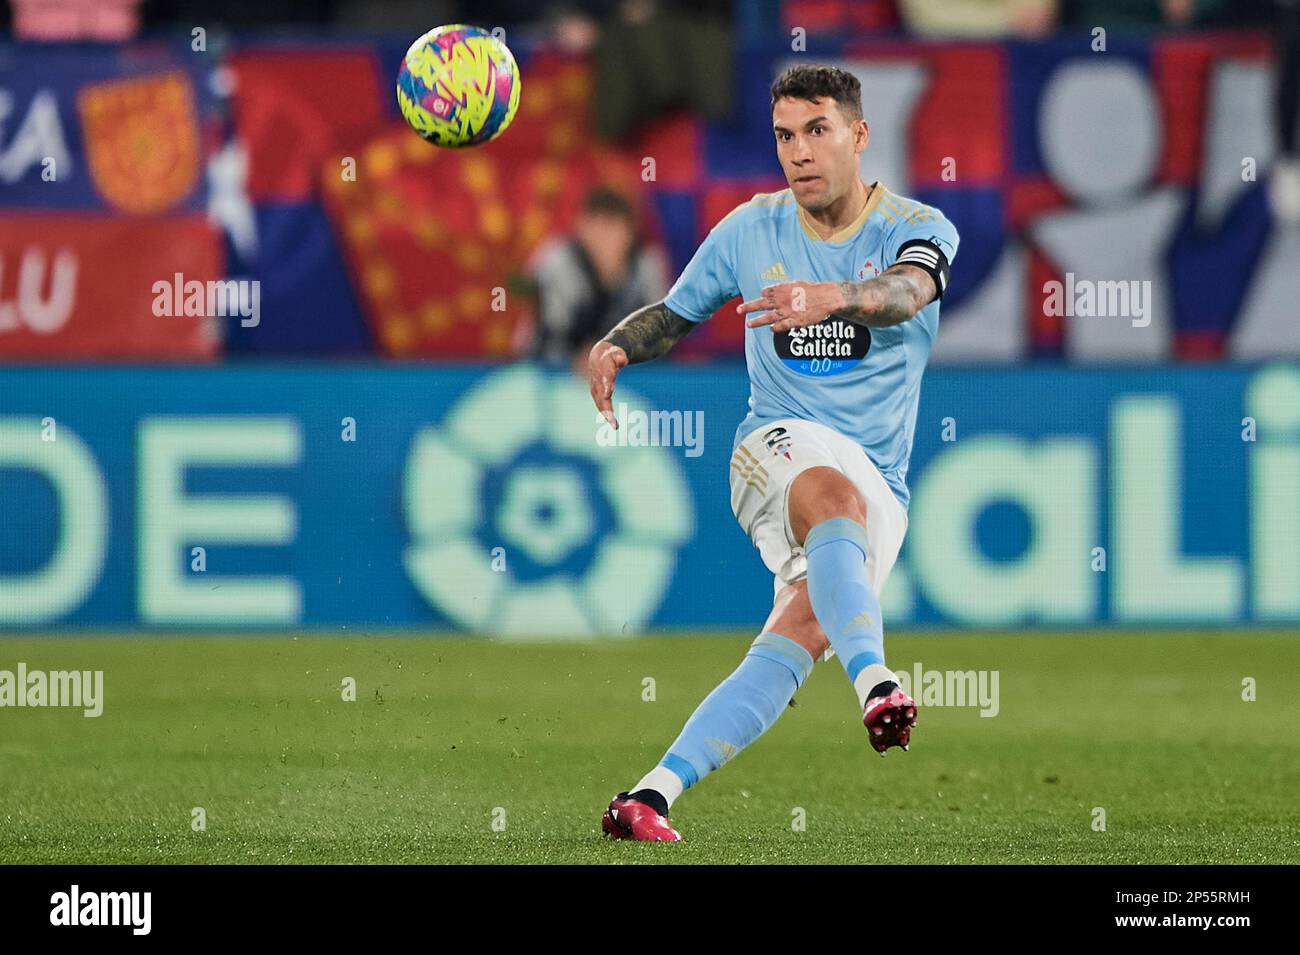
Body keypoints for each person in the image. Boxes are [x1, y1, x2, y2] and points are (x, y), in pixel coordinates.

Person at [587, 64, 960, 841]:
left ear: (858, 137)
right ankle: (878, 681)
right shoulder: (750, 227)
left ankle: (649, 796)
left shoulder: (916, 227)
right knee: (829, 493)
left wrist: (837, 295)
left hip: (880, 483)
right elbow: (676, 312)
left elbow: (910, 292)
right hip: (776, 445)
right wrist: (621, 344)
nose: (800, 151)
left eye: (818, 130)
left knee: (798, 635)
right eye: (785, 135)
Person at [526, 186, 668, 366]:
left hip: (628, 370)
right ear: (580, 227)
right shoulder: (556, 262)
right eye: (596, 226)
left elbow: (660, 335)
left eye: (612, 227)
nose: (603, 238)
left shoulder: (647, 266)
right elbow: (550, 333)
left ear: (631, 232)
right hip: (555, 369)